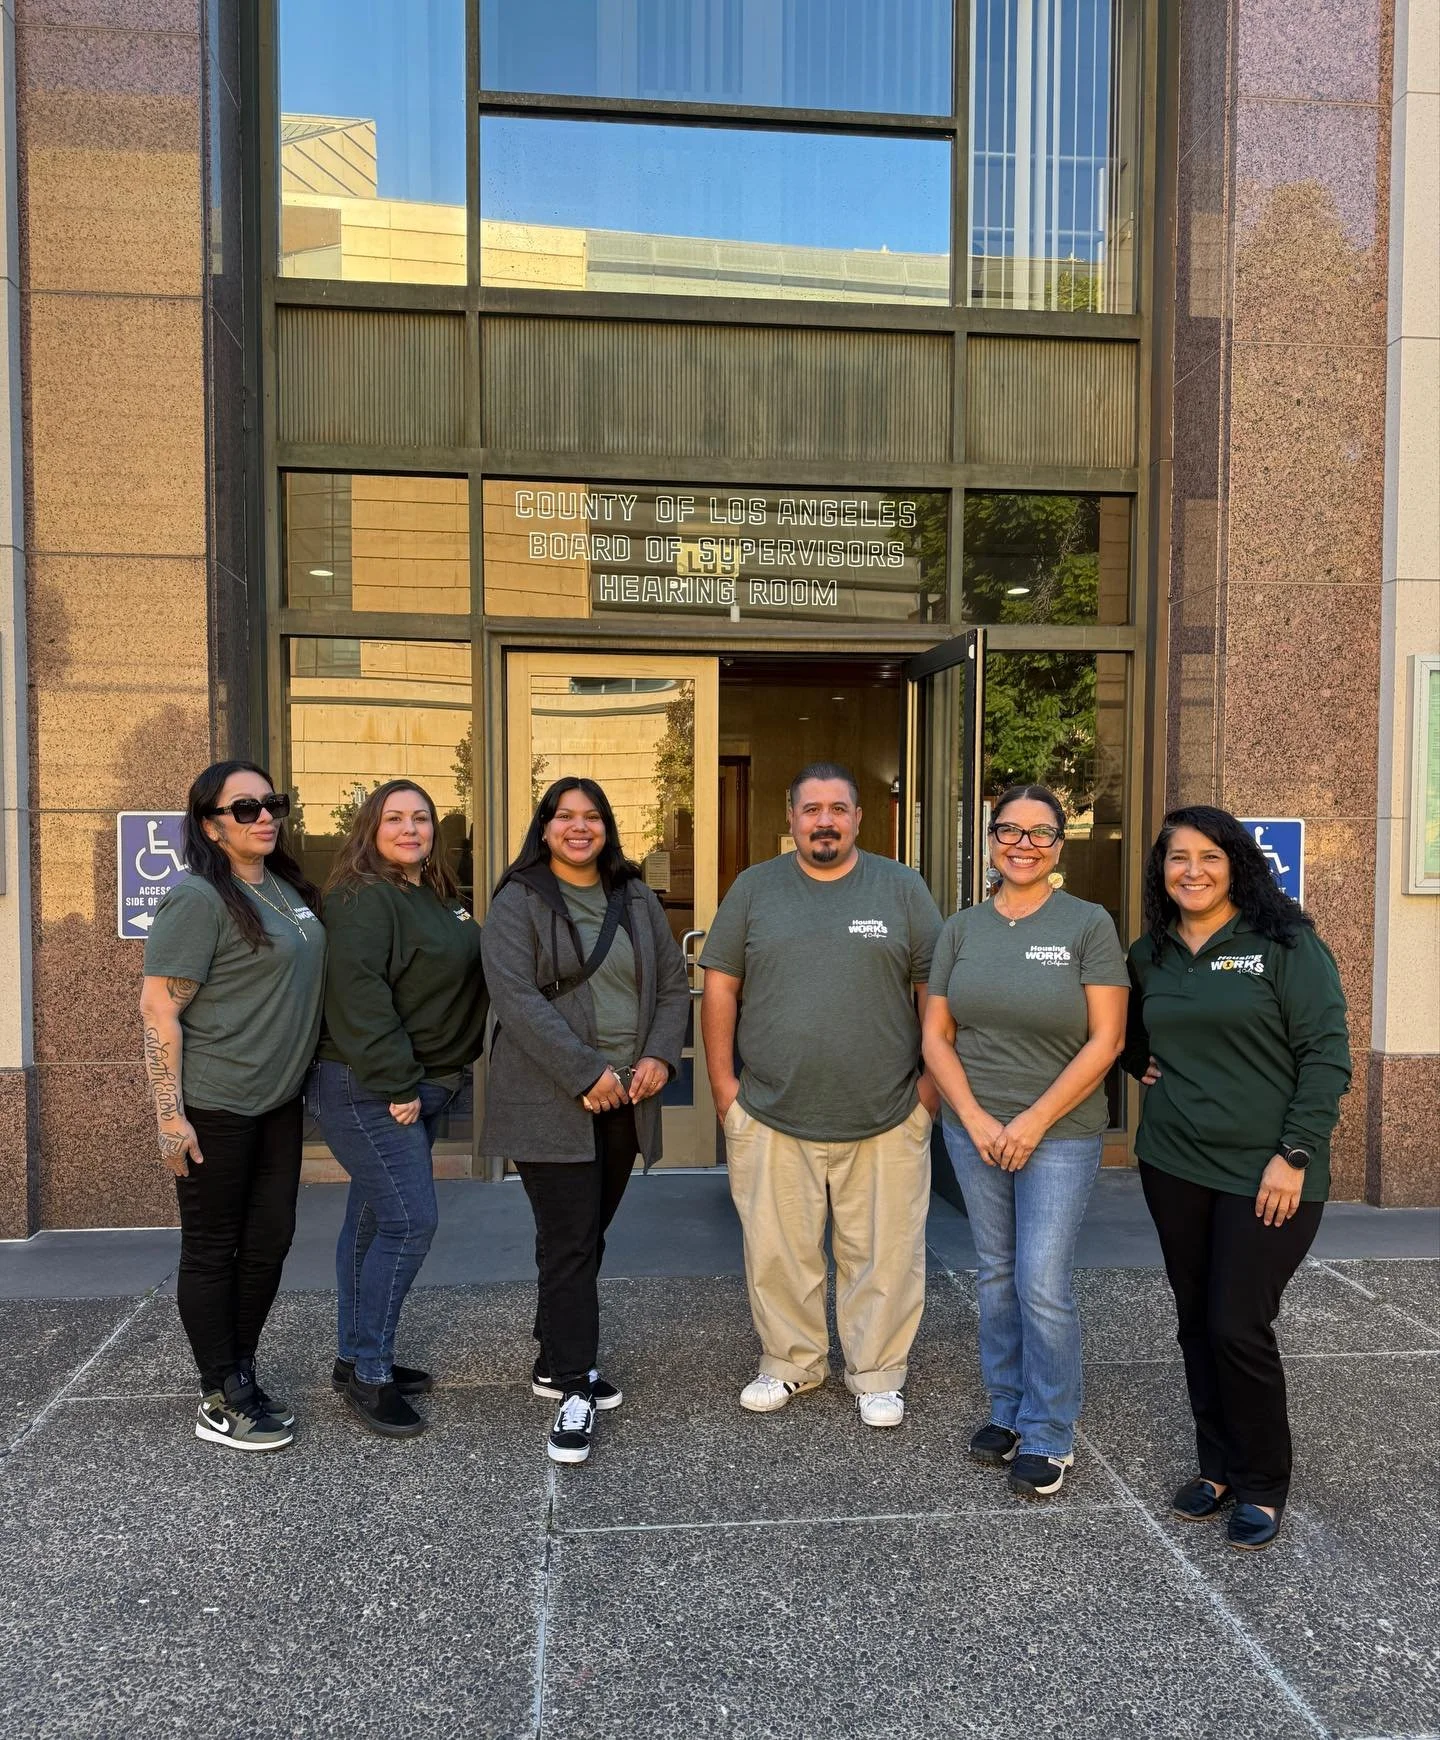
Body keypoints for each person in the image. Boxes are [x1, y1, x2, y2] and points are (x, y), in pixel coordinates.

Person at [1123, 804, 1350, 1551]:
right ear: (1161, 871)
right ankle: (1216, 1466)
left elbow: (1326, 1054)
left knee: (1236, 1324)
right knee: (1196, 1321)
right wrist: (1138, 1062)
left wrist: (1295, 1154)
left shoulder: (1285, 942)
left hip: (1269, 1172)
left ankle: (1263, 1481)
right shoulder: (1150, 952)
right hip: (1174, 1163)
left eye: (1209, 857)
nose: (1192, 870)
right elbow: (1131, 1035)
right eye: (1177, 858)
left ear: (1237, 865)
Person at [700, 762, 943, 1429]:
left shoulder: (901, 889)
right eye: (812, 809)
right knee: (779, 1253)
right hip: (774, 1111)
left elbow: (934, 992)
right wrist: (725, 1090)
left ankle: (877, 1374)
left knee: (885, 1254)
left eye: (839, 808)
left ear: (860, 818)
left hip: (888, 1111)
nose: (826, 821)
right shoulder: (755, 889)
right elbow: (720, 984)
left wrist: (930, 1089)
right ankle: (790, 1363)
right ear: (791, 816)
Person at [921, 784, 1128, 1498]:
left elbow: (1108, 1039)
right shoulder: (963, 929)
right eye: (1010, 830)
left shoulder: (1087, 924)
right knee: (995, 1272)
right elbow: (936, 1035)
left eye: (1041, 834)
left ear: (1059, 847)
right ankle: (1006, 1410)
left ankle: (1049, 1431)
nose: (1023, 844)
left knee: (1040, 1280)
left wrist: (1033, 1120)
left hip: (1060, 1133)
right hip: (973, 1126)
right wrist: (975, 1117)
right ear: (990, 839)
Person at [481, 778, 689, 1465]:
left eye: (591, 816)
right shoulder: (519, 899)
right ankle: (573, 1384)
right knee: (570, 1238)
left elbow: (668, 984)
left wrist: (659, 1054)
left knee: (585, 1233)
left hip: (629, 1094)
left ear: (607, 827)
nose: (579, 827)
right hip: (552, 1097)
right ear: (543, 828)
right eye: (564, 816)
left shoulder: (632, 896)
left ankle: (551, 1356)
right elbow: (516, 1000)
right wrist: (586, 1073)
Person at [140, 760, 325, 1452]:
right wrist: (168, 1114)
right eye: (244, 808)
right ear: (212, 825)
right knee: (215, 1248)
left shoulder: (283, 889)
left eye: (271, 803)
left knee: (271, 1239)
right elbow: (159, 1009)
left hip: (277, 1103)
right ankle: (220, 1392)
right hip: (216, 1105)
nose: (264, 816)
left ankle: (239, 1366)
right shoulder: (198, 900)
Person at [310, 780, 487, 1439]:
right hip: (370, 1086)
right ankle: (371, 1375)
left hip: (423, 1082)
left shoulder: (436, 895)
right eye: (395, 818)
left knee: (370, 1223)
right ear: (370, 828)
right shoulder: (361, 897)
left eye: (421, 818)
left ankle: (354, 1356)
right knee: (410, 1223)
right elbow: (358, 996)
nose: (410, 828)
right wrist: (399, 1083)